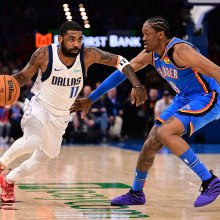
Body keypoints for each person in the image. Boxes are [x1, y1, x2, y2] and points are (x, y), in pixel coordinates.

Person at [70, 16, 220, 207]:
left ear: (161, 35)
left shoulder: (180, 51)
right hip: (184, 98)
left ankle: (209, 181)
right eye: (143, 34)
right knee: (151, 142)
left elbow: (216, 71)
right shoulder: (151, 55)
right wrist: (91, 99)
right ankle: (136, 193)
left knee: (166, 132)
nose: (143, 38)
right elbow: (122, 72)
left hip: (208, 96)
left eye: (147, 34)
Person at [0, 20, 147, 203]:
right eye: (71, 39)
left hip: (61, 115)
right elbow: (22, 77)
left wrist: (137, 83)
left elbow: (121, 61)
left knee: (38, 165)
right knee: (31, 141)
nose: (76, 43)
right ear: (60, 39)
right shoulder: (44, 54)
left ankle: (8, 180)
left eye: (79, 39)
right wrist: (4, 86)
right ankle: (2, 163)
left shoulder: (88, 55)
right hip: (38, 105)